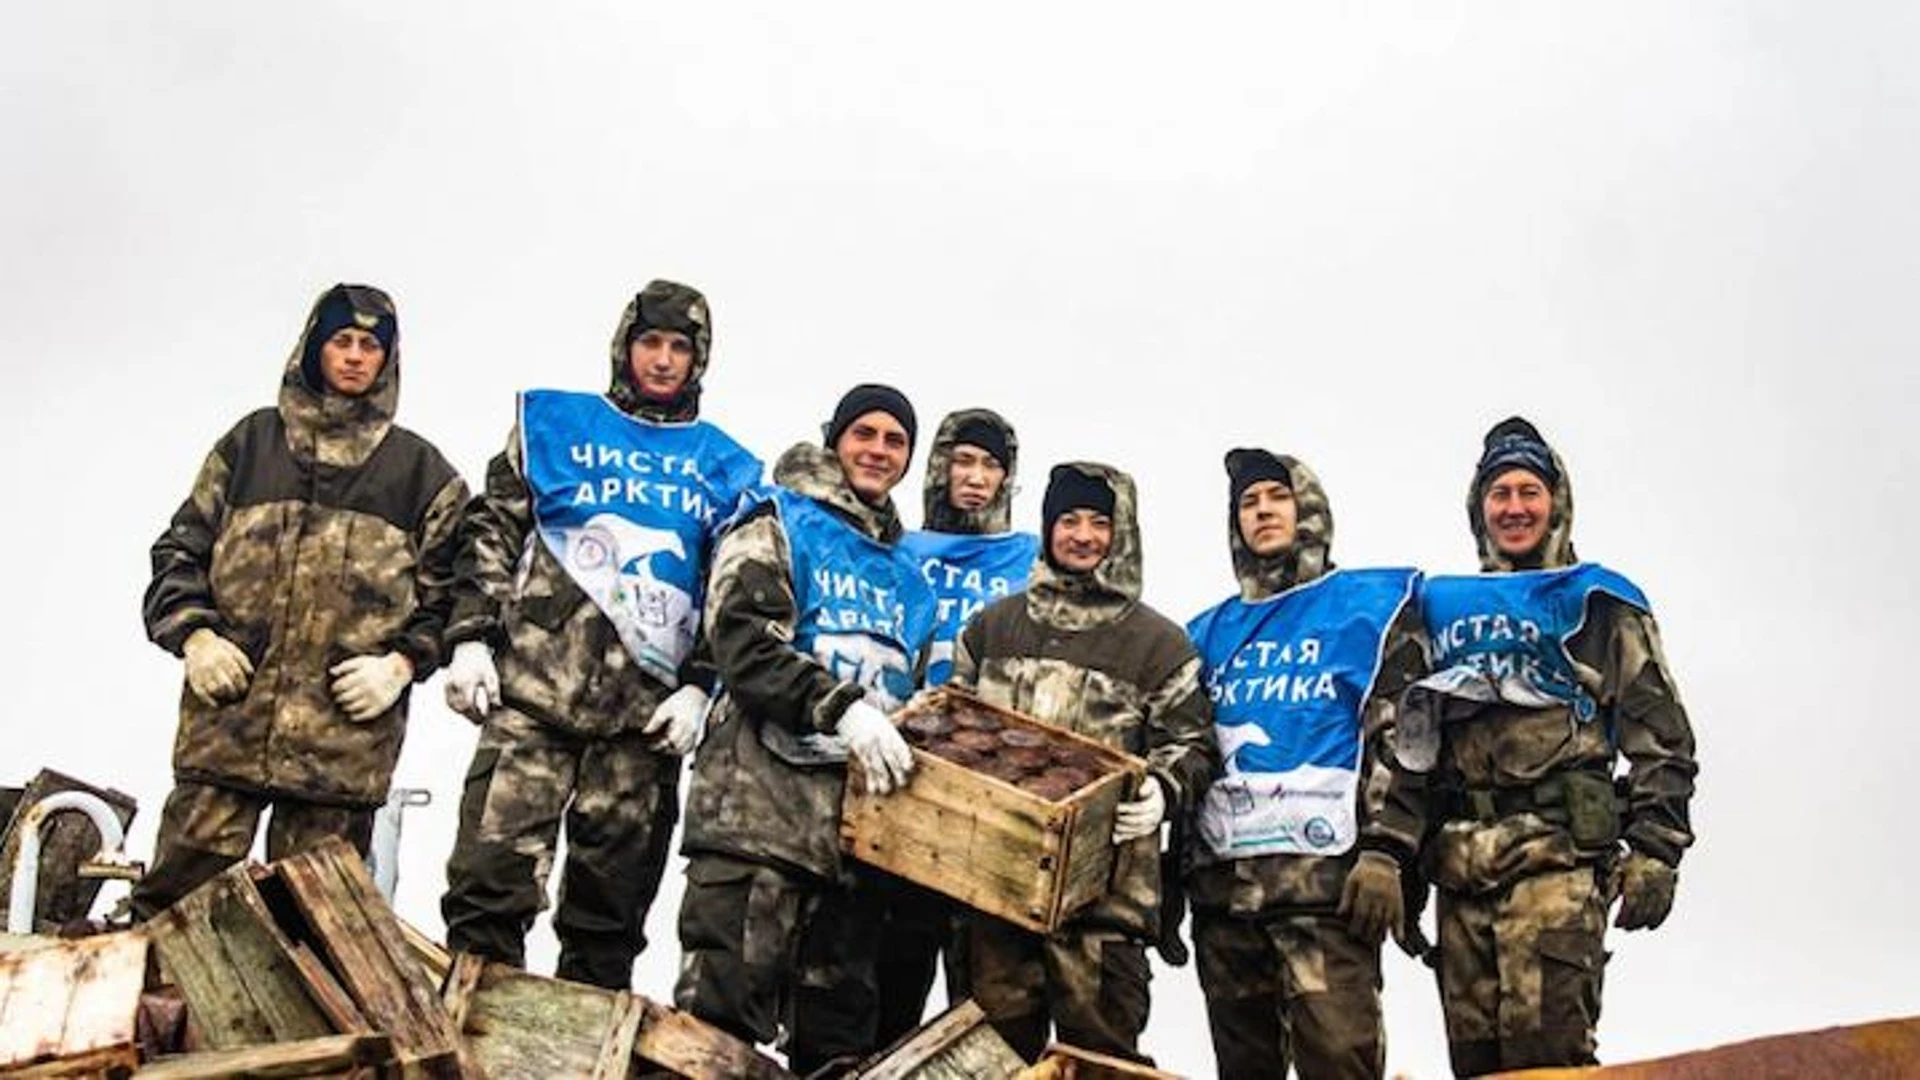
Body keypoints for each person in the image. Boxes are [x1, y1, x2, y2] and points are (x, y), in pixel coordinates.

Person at [438, 281, 761, 990]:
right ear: (625, 345)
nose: (665, 360)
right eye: (652, 342)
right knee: (486, 897)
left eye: (682, 347)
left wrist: (700, 688)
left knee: (606, 925)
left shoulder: (728, 467)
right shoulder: (553, 424)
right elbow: (491, 530)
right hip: (530, 700)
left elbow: (734, 587)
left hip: (640, 730)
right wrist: (470, 638)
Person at [1377, 417, 1699, 1075]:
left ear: (1556, 501)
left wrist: (1656, 850)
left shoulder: (1598, 599)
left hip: (1557, 861)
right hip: (1462, 870)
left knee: (1549, 1060)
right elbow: (1409, 743)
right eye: (1500, 494)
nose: (1515, 508)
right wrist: (1399, 864)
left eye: (1530, 491)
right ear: (1479, 509)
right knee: (1478, 1066)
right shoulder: (1438, 606)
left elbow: (1661, 735)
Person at [134, 284, 467, 919]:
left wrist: (401, 666)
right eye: (340, 340)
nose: (353, 357)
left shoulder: (422, 474)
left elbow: (456, 597)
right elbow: (177, 554)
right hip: (226, 732)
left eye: (370, 345)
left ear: (388, 360)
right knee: (171, 920)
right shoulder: (250, 445)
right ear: (313, 349)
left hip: (340, 755)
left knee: (316, 939)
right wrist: (196, 638)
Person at [675, 384, 937, 1075]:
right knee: (715, 1034)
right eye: (865, 434)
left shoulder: (912, 578)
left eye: (895, 440)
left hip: (851, 848)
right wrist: (841, 708)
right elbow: (741, 639)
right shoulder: (775, 519)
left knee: (840, 1051)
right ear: (835, 440)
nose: (878, 451)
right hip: (756, 822)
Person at [948, 462, 1216, 1063]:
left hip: (1107, 904)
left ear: (1122, 534)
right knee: (993, 1063)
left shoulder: (1160, 644)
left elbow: (1196, 746)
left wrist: (1163, 791)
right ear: (1046, 530)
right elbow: (949, 725)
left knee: (1099, 1061)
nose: (1083, 535)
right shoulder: (992, 627)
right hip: (998, 893)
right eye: (1068, 520)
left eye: (1100, 522)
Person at [1183, 449, 1428, 1080]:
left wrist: (1387, 853)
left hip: (1326, 895)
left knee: (1341, 1065)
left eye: (1276, 496)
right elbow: (1186, 754)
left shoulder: (1369, 610)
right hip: (1226, 901)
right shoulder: (1204, 633)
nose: (1262, 511)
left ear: (1308, 508)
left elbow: (1406, 739)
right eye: (1247, 502)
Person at [872, 408, 1039, 1045]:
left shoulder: (1031, 559)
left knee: (988, 1002)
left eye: (990, 465)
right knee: (890, 980)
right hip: (903, 784)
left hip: (994, 793)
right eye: (962, 461)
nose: (975, 477)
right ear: (939, 467)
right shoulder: (898, 548)